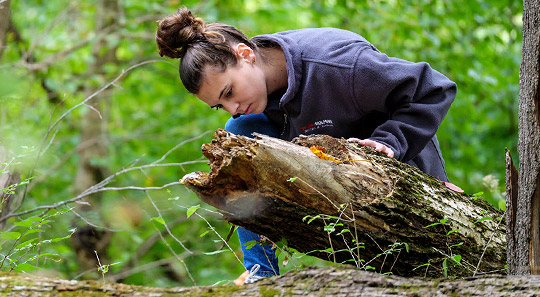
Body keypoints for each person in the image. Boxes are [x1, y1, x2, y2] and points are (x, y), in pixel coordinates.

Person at [156, 7, 457, 284]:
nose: (232, 107)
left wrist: (391, 143)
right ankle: (260, 274)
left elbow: (433, 88)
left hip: (403, 169)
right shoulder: (256, 101)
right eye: (219, 105)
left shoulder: (338, 65)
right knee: (237, 138)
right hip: (346, 186)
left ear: (245, 54)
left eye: (230, 91)